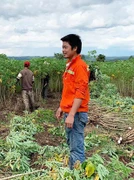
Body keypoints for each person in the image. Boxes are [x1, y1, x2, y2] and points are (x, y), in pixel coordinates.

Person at [55, 34, 90, 169]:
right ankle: (73, 171)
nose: (63, 50)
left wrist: (71, 114)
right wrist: (61, 107)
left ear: (75, 48)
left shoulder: (79, 66)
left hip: (76, 114)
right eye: (62, 47)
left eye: (66, 47)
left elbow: (80, 93)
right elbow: (68, 91)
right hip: (70, 111)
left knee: (76, 148)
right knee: (72, 144)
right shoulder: (70, 65)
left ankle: (77, 174)